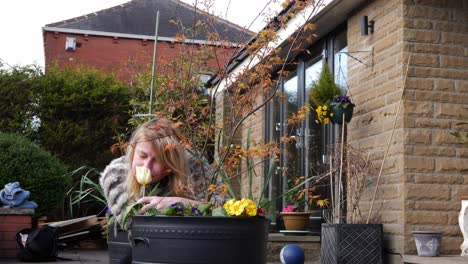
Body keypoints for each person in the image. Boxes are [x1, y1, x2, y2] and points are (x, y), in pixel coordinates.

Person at [99, 117, 217, 227]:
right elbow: (133, 225)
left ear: (171, 164)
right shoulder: (116, 176)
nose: (147, 166)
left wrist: (181, 203)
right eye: (142, 155)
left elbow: (223, 209)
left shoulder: (195, 169)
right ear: (133, 151)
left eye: (158, 160)